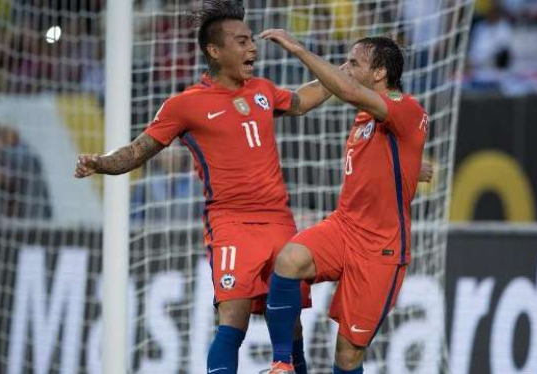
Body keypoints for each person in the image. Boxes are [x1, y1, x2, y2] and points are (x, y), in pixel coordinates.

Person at [74, 1, 335, 373]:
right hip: (230, 223)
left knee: (291, 326)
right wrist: (101, 162)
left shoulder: (262, 89)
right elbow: (137, 150)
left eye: (251, 40)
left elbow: (302, 100)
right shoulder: (185, 105)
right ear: (215, 50)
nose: (252, 48)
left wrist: (346, 73)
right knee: (233, 316)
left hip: (278, 219)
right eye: (242, 41)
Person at [258, 29, 428, 374]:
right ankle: (283, 365)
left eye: (354, 62)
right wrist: (412, 166)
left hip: (381, 248)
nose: (346, 68)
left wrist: (298, 49)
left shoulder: (405, 108)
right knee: (288, 260)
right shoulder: (367, 116)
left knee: (347, 357)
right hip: (344, 226)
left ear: (379, 73)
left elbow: (348, 90)